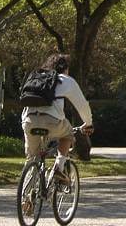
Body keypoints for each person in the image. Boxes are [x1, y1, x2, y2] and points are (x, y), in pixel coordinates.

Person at [21, 54, 94, 184]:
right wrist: (88, 123)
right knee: (68, 134)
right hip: (52, 122)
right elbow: (83, 106)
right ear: (65, 68)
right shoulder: (65, 80)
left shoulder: (36, 78)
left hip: (29, 121)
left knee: (32, 158)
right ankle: (58, 168)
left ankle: (26, 198)